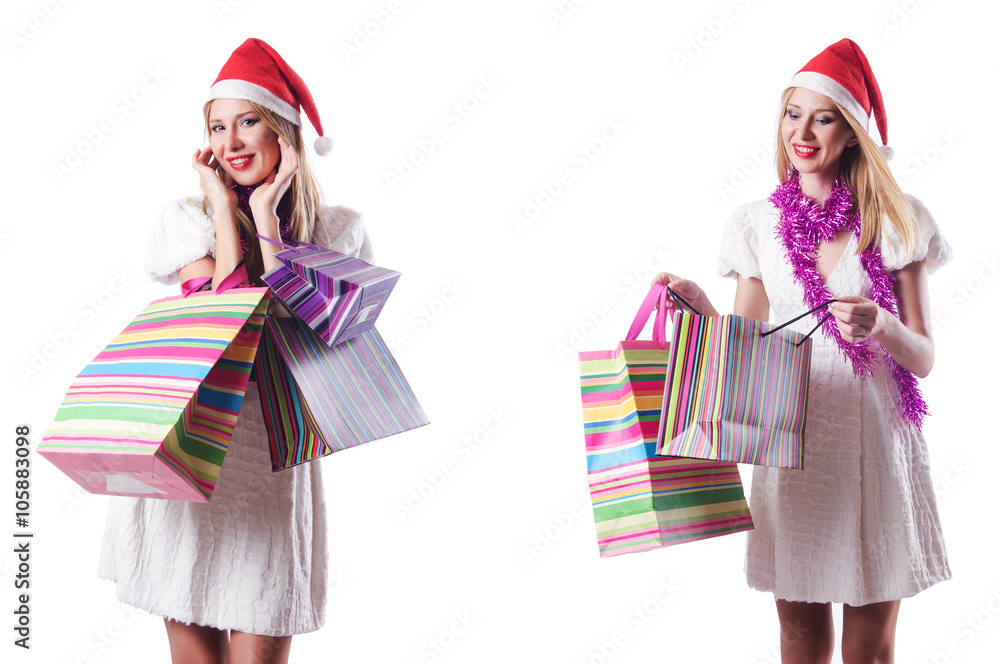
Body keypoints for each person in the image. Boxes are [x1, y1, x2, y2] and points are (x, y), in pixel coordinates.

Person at [655, 39, 950, 663]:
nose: (804, 132)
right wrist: (703, 311)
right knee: (798, 636)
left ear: (853, 133)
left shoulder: (898, 221)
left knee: (868, 649)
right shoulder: (755, 225)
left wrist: (882, 328)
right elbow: (748, 350)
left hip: (874, 445)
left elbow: (922, 358)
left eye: (824, 117)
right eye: (794, 114)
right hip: (792, 446)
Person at [98, 38, 373, 664]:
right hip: (189, 462)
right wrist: (226, 210)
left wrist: (268, 220)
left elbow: (305, 324)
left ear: (285, 132)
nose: (231, 141)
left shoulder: (339, 232)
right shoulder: (186, 219)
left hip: (273, 470)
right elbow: (228, 325)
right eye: (217, 127)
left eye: (248, 121)